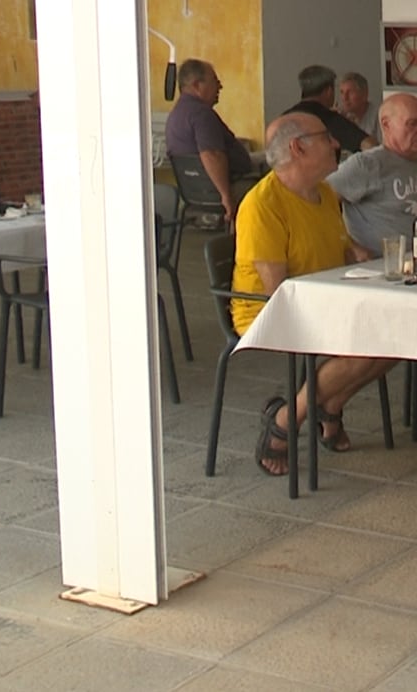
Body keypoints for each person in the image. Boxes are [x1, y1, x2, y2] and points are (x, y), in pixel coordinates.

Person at [235, 113, 397, 476]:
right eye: (326, 137)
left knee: (401, 335)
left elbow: (333, 243)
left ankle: (329, 403)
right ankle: (284, 420)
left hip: (327, 298)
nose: (337, 144)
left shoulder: (322, 192)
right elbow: (278, 293)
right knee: (369, 342)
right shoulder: (262, 204)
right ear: (298, 147)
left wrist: (354, 250)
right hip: (271, 311)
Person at [327, 93, 417, 257]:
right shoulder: (367, 164)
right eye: (412, 124)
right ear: (386, 125)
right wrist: (349, 244)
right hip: (387, 270)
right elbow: (315, 203)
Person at [164, 58, 259, 227]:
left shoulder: (176, 114)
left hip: (194, 191)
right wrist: (226, 196)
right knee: (273, 182)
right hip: (228, 186)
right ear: (197, 86)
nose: (220, 87)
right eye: (215, 81)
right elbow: (211, 155)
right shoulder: (201, 115)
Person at [282, 64, 374, 155]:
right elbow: (370, 145)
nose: (344, 97)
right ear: (329, 91)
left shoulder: (283, 119)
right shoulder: (332, 120)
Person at [337, 71, 376, 139]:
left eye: (350, 92)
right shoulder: (343, 117)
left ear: (364, 95)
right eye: (342, 92)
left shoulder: (378, 117)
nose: (344, 98)